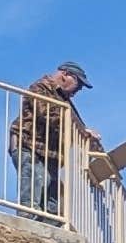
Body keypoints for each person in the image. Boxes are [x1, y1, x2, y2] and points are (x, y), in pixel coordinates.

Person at [9, 62, 90, 218]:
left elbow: (76, 124)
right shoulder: (41, 87)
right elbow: (48, 114)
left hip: (49, 154)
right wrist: (79, 128)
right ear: (65, 75)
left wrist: (85, 133)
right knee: (35, 183)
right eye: (78, 84)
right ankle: (28, 222)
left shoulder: (64, 100)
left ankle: (48, 225)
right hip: (29, 145)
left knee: (52, 202)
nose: (79, 89)